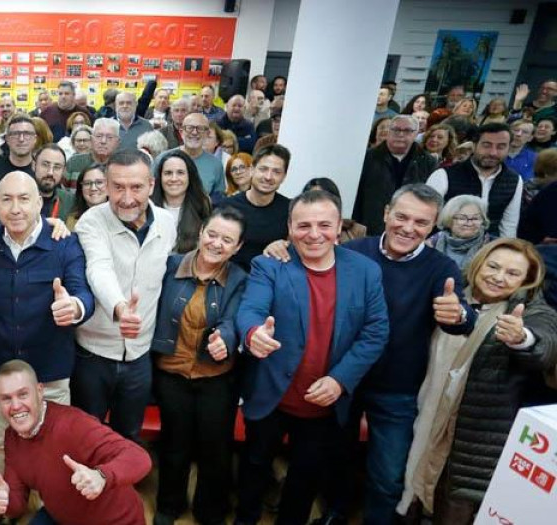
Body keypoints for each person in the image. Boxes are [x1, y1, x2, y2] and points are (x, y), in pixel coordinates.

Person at [293, 185, 477, 525]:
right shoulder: (353, 250)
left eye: (421, 222)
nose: (408, 228)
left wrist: (461, 316)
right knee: (338, 457)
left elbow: (459, 317)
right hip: (344, 378)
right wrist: (281, 248)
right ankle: (335, 513)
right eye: (402, 216)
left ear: (434, 226)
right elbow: (308, 267)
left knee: (387, 472)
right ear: (386, 213)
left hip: (398, 388)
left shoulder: (441, 268)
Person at [234, 189, 390, 525]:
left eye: (324, 224)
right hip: (271, 396)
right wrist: (253, 333)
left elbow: (375, 332)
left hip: (325, 403)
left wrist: (340, 379)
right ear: (289, 227)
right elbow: (251, 310)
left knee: (305, 477)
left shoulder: (365, 271)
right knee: (254, 467)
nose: (314, 234)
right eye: (304, 225)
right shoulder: (270, 264)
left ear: (339, 226)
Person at [399, 239, 557, 523]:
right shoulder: (452, 293)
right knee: (413, 496)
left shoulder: (532, 310)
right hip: (423, 419)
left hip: (472, 443)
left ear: (527, 280)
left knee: (452, 510)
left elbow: (543, 347)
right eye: (493, 266)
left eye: (512, 273)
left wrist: (522, 339)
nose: (498, 277)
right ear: (479, 263)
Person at [0, 171, 94, 474]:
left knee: (55, 445)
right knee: (4, 442)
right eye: (7, 199)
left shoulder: (64, 244)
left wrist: (75, 307)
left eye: (24, 199)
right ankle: (11, 507)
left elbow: (83, 292)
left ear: (40, 202)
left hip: (49, 371)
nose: (15, 208)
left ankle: (50, 509)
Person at [151, 208, 248, 525]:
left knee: (215, 450)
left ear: (237, 247)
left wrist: (227, 338)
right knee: (174, 444)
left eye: (227, 239)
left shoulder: (240, 279)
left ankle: (210, 511)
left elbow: (235, 318)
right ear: (201, 232)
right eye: (212, 234)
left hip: (216, 377)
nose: (217, 243)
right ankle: (168, 505)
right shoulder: (171, 266)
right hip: (172, 373)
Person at [74, 150, 177, 442]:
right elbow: (98, 268)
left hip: (140, 355)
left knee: (128, 436)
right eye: (118, 187)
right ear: (106, 186)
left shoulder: (167, 223)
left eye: (136, 187)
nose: (127, 197)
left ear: (152, 185)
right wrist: (120, 309)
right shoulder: (91, 222)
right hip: (92, 355)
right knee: (87, 436)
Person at [0, 360, 151, 524]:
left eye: (23, 394)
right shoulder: (11, 438)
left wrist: (101, 476)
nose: (15, 405)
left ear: (39, 391)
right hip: (63, 516)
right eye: (6, 399)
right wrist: (6, 502)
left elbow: (139, 457)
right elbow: (17, 503)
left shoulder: (74, 425)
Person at [427, 122, 523, 238]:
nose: (493, 152)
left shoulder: (514, 180)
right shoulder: (443, 175)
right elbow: (427, 217)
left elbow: (509, 225)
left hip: (487, 248)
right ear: (474, 145)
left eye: (501, 146)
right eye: (487, 145)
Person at [354, 115, 439, 234]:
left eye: (407, 130)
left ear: (416, 134)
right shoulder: (367, 158)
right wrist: (356, 221)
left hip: (408, 227)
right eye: (396, 130)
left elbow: (431, 198)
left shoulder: (428, 162)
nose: (401, 134)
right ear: (388, 132)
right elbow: (357, 193)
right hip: (370, 226)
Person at [219, 144, 292, 271]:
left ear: (284, 177)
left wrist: (286, 245)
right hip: (230, 278)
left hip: (271, 279)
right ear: (252, 170)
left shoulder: (290, 209)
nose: (268, 177)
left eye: (276, 172)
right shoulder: (228, 206)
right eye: (263, 169)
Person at [152, 150, 212, 254]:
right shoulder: (148, 207)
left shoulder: (202, 205)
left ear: (190, 176)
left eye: (180, 173)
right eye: (168, 173)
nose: (174, 178)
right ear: (160, 177)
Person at [161, 113, 226, 196]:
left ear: (206, 134)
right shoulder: (164, 159)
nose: (195, 132)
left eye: (200, 128)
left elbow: (218, 200)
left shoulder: (216, 165)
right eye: (190, 128)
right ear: (181, 132)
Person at [428, 194, 492, 271]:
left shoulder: (491, 246)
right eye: (462, 218)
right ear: (449, 220)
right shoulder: (431, 244)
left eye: (475, 218)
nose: (469, 223)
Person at [0, 115, 39, 194]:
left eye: (27, 134)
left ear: (35, 139)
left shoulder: (43, 173)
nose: (21, 139)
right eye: (15, 134)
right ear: (7, 139)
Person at [66, 119, 120, 186]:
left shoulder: (124, 167)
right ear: (91, 139)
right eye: (99, 136)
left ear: (117, 142)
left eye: (109, 137)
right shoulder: (74, 162)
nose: (103, 141)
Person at [66, 163, 107, 228]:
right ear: (81, 188)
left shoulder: (120, 216)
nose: (93, 188)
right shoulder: (72, 219)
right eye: (87, 183)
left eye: (99, 182)